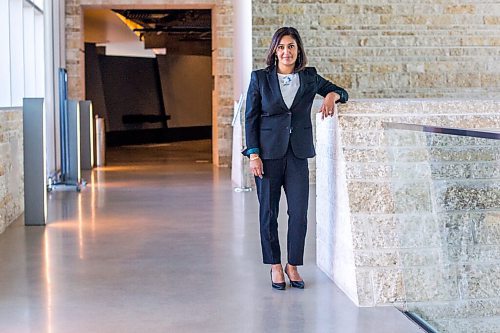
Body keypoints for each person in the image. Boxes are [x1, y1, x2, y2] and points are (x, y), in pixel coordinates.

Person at [243, 27, 348, 290]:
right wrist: (253, 154)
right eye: (281, 47)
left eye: (291, 46)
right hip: (267, 156)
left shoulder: (309, 77)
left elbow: (340, 91)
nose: (286, 52)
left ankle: (293, 265)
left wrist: (332, 96)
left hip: (298, 154)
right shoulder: (260, 79)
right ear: (274, 51)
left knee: (299, 213)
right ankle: (275, 266)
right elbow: (250, 118)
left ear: (298, 49)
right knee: (269, 212)